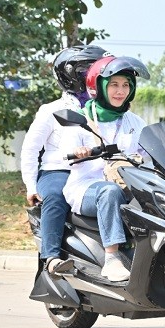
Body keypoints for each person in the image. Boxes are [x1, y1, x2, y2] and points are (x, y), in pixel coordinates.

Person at [20, 44, 109, 274]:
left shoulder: (105, 109)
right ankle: (51, 257)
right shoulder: (52, 110)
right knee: (56, 196)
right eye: (89, 71)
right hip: (59, 171)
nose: (96, 76)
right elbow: (30, 149)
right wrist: (31, 186)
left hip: (96, 172)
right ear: (71, 75)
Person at [61, 56, 150, 282]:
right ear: (99, 87)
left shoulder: (134, 122)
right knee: (109, 192)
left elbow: (151, 149)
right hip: (87, 187)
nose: (121, 91)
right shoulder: (81, 119)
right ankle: (112, 258)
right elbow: (67, 151)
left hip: (128, 183)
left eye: (126, 85)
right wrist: (80, 151)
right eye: (114, 85)